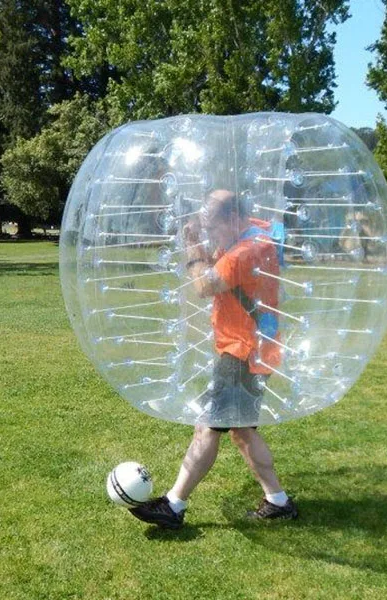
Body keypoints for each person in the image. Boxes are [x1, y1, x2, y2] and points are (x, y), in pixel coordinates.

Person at [129, 189, 298, 529]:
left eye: (215, 226)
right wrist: (202, 235)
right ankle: (278, 500)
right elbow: (221, 261)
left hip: (241, 353)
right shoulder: (255, 234)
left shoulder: (244, 252)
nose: (211, 235)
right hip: (255, 349)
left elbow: (205, 285)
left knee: (208, 426)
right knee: (242, 431)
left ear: (234, 219)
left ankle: (174, 505)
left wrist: (192, 250)